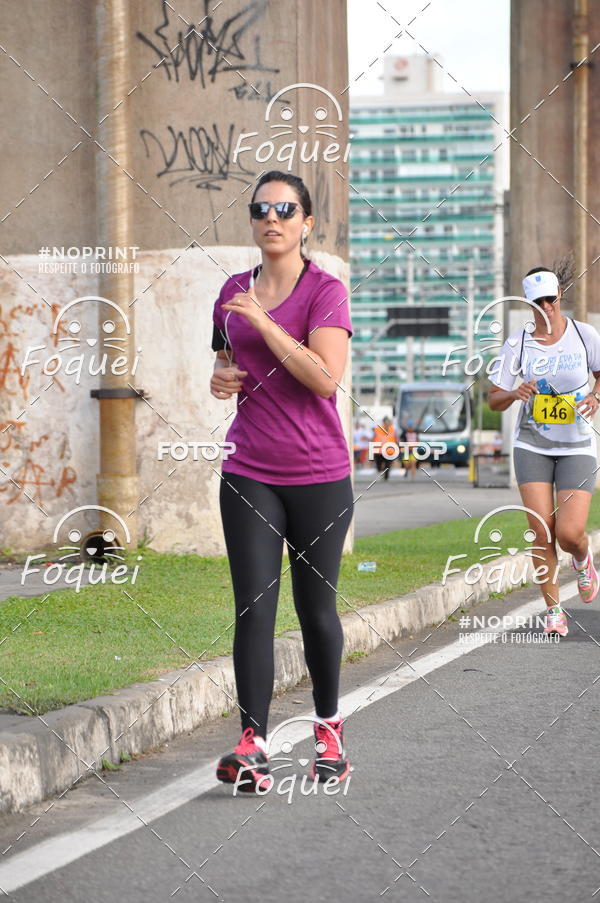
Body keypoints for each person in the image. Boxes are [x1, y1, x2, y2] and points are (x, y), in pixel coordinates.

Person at [210, 170, 353, 791]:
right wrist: (221, 379)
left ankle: (328, 728)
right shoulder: (230, 291)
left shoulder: (327, 290)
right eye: (262, 208)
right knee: (254, 608)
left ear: (306, 222)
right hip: (249, 470)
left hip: (320, 474)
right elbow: (226, 358)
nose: (273, 218)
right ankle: (254, 744)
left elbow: (324, 377)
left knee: (315, 610)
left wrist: (267, 323)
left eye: (286, 209)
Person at [488, 266, 600, 637]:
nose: (545, 307)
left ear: (559, 297)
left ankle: (583, 559)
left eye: (550, 299)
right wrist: (514, 392)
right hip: (531, 445)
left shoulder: (585, 335)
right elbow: (493, 400)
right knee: (540, 530)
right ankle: (554, 610)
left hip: (577, 445)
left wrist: (596, 395)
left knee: (569, 533)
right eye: (537, 302)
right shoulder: (517, 344)